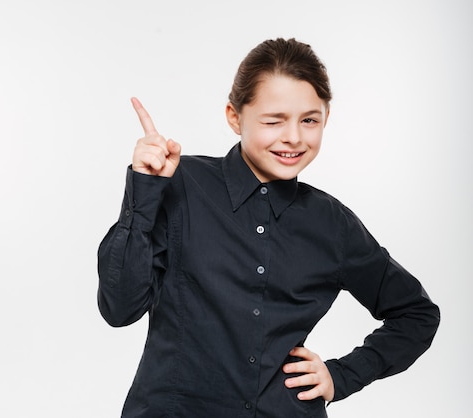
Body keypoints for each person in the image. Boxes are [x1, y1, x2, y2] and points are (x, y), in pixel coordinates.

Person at [96, 38, 440, 417]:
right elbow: (119, 308)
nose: (293, 136)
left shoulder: (331, 224)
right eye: (274, 120)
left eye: (309, 120)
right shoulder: (179, 183)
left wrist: (340, 377)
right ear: (234, 116)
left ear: (327, 117)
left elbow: (416, 314)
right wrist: (145, 191)